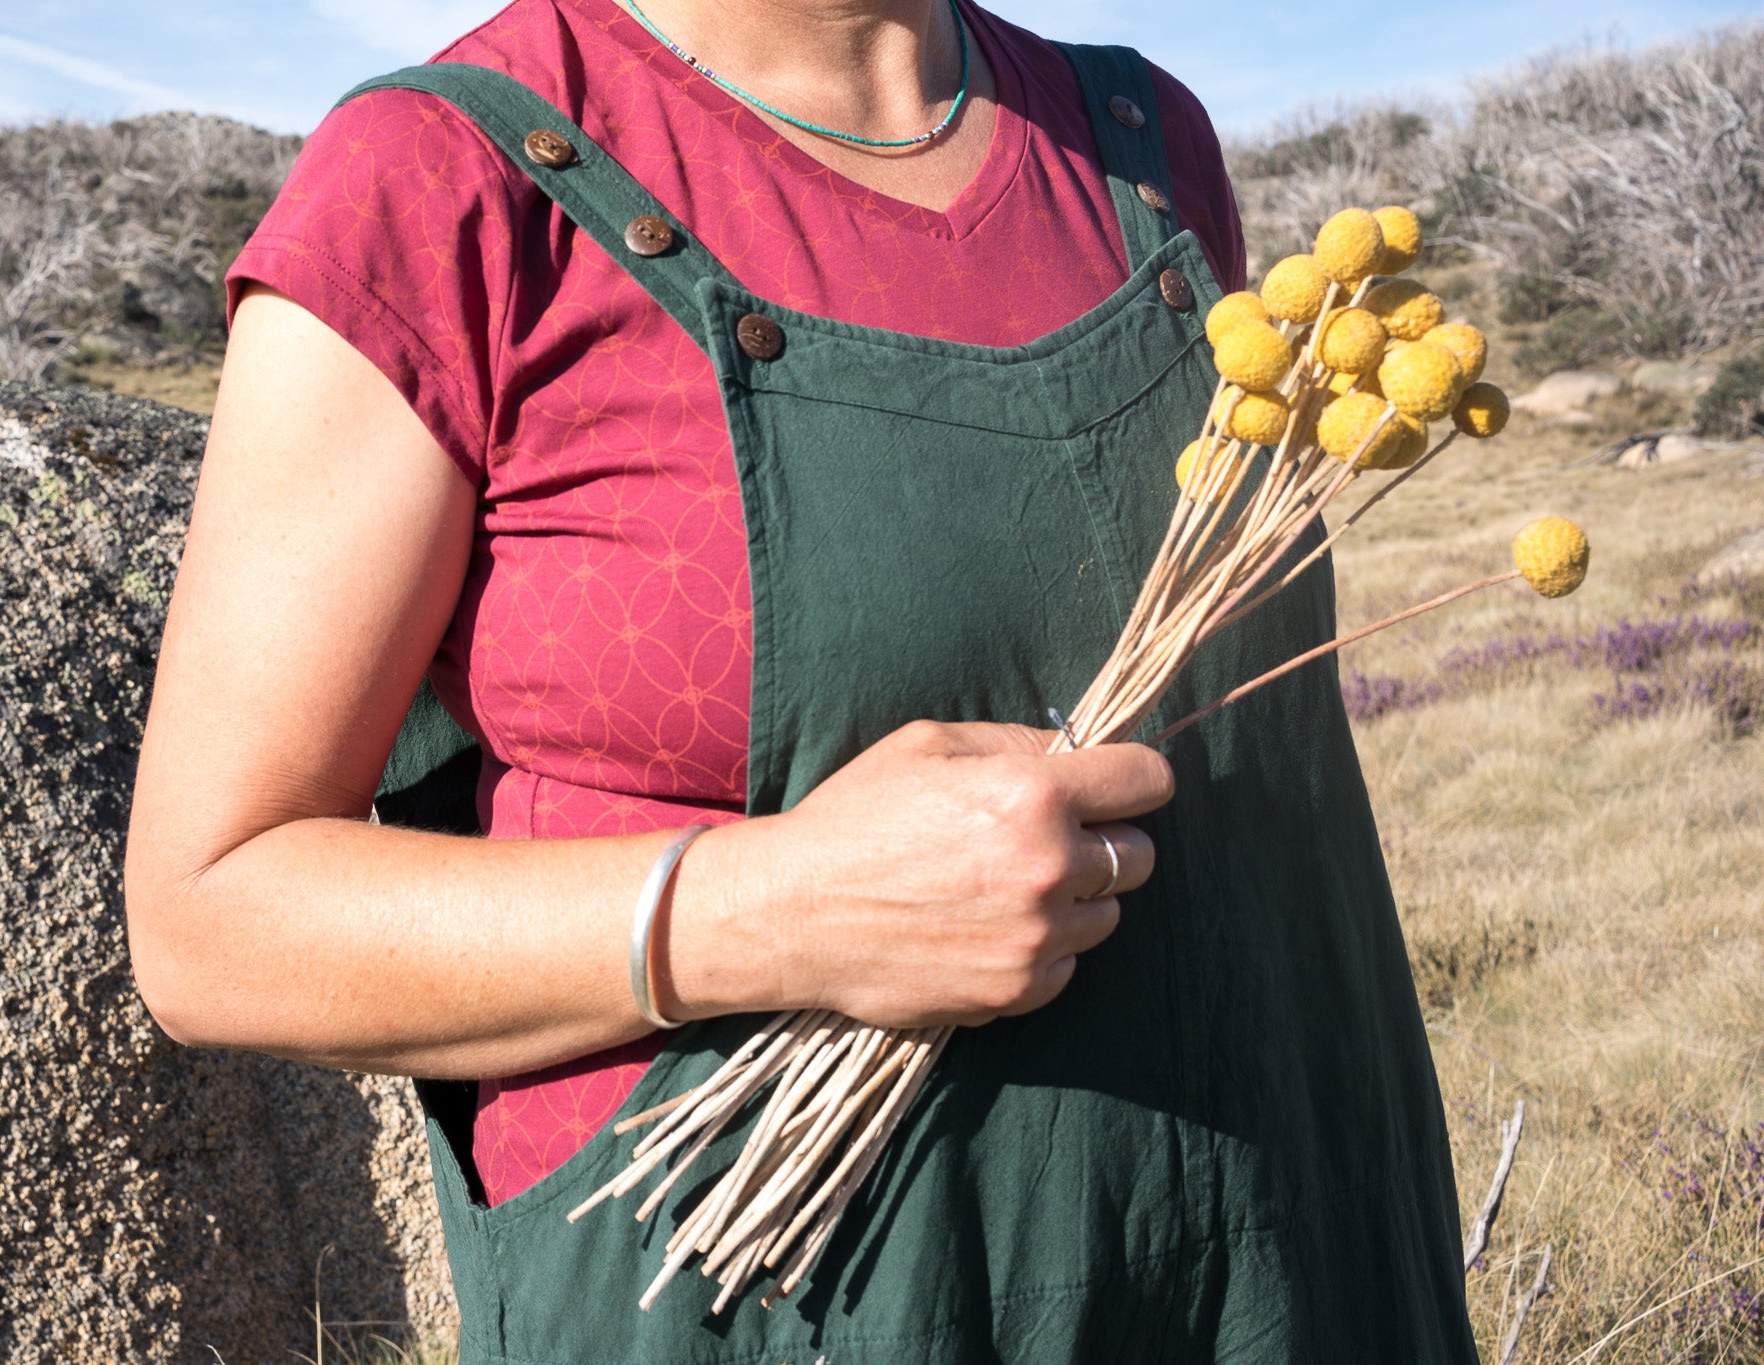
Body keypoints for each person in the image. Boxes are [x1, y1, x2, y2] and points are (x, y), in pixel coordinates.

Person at [123, 0, 1480, 1356]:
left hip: (1286, 1272)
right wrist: (779, 909)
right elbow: (212, 916)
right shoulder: (432, 181)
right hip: (778, 1306)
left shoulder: (1140, 146)